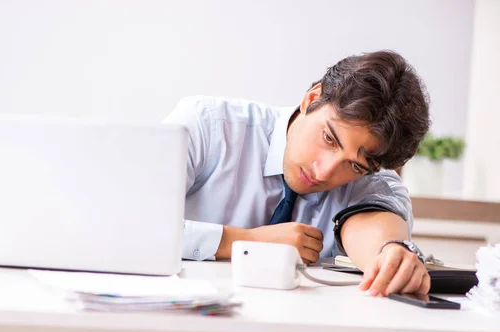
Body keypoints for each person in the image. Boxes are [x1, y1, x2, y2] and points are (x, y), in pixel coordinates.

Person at [163, 50, 431, 297]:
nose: (324, 172)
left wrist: (390, 253)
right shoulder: (209, 126)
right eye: (329, 138)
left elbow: (378, 236)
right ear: (312, 99)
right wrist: (247, 241)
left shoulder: (373, 183)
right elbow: (129, 222)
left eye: (354, 165)